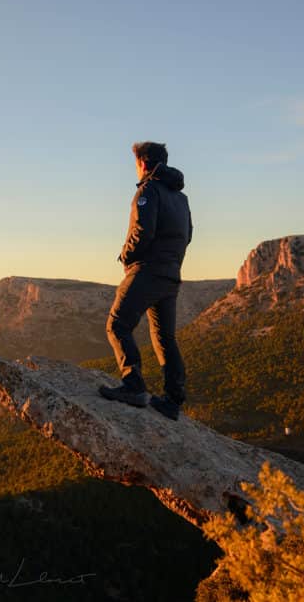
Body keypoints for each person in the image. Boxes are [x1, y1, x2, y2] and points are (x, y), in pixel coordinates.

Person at [99, 141, 192, 420]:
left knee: (117, 325)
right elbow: (188, 235)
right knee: (164, 338)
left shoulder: (148, 190)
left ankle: (133, 385)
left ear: (143, 163)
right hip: (171, 274)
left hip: (147, 270)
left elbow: (142, 231)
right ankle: (173, 400)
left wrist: (126, 257)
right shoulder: (181, 198)